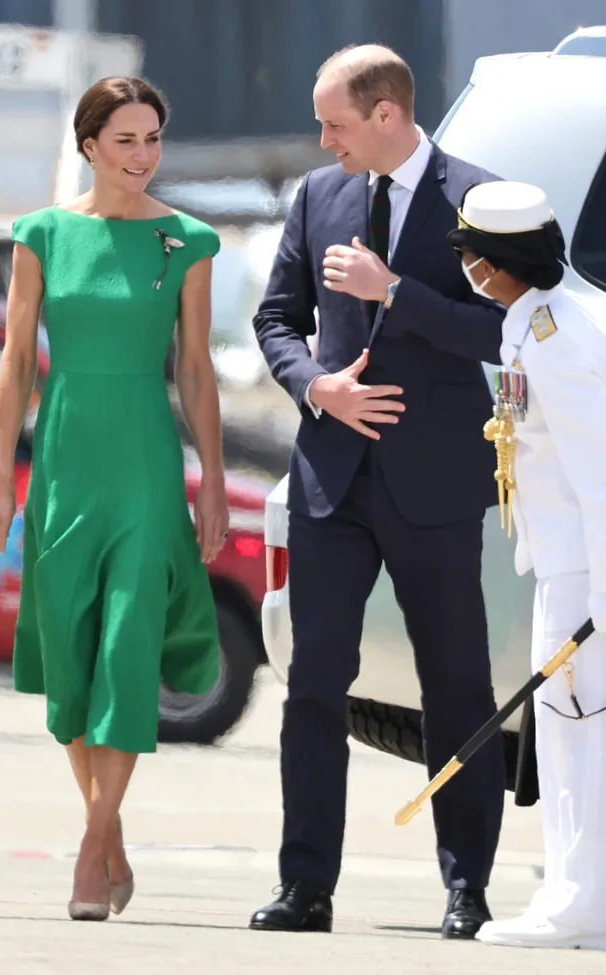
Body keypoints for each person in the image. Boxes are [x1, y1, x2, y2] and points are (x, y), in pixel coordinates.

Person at [249, 43, 507, 938]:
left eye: (337, 122)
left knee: (457, 688)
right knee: (313, 685)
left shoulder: (477, 199)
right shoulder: (319, 197)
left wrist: (393, 290)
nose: (324, 140)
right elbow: (277, 318)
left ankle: (467, 888)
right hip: (331, 479)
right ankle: (305, 886)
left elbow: (502, 330)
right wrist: (316, 385)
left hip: (435, 482)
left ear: (388, 112)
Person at [0, 76, 228, 921]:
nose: (142, 154)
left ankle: (90, 849)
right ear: (88, 146)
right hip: (62, 463)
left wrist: (216, 485)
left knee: (126, 647)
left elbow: (195, 369)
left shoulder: (186, 241)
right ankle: (109, 829)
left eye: (152, 137)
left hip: (148, 470)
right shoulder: (42, 234)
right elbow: (13, 362)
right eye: (125, 139)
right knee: (73, 655)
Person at [448, 180, 606, 951]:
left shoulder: (559, 337)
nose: (469, 267)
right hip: (564, 564)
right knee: (566, 730)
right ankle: (574, 889)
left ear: (492, 262)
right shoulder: (532, 324)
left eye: (473, 254)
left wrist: (602, 597)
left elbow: (598, 471)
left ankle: (579, 902)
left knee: (580, 732)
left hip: (588, 574)